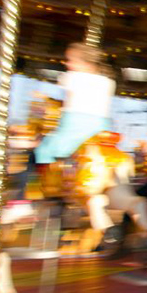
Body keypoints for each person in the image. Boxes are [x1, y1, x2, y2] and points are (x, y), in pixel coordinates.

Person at [12, 43, 115, 200]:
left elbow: (63, 104)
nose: (66, 64)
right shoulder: (108, 82)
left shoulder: (71, 78)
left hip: (74, 134)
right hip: (99, 134)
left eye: (71, 60)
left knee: (38, 153)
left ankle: (25, 199)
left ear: (86, 64)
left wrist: (43, 98)